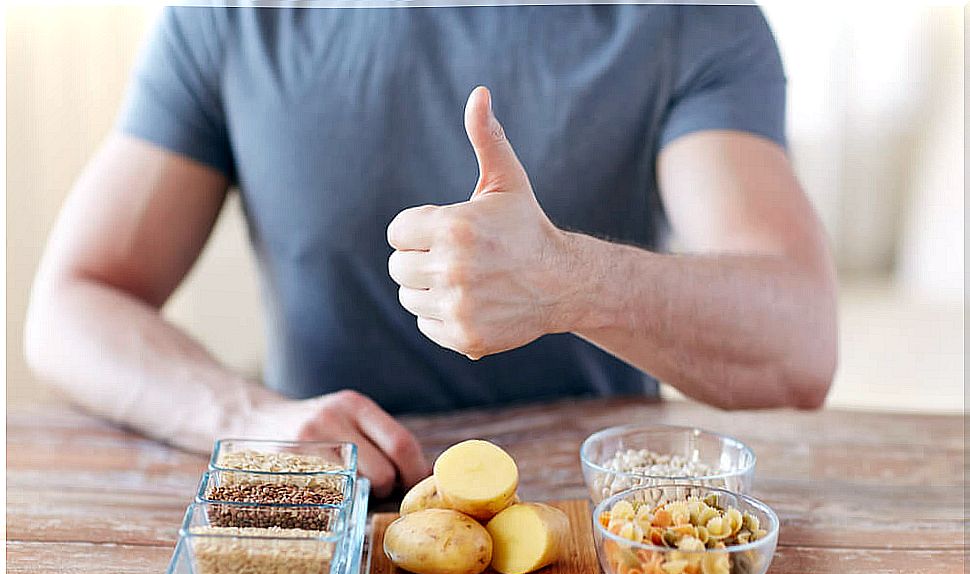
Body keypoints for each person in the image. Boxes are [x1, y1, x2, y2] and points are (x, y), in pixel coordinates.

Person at [24, 4, 838, 498]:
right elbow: (72, 303)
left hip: (601, 539)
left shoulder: (690, 17)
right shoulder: (229, 15)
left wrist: (567, 282)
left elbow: (800, 340)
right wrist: (247, 419)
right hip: (335, 526)